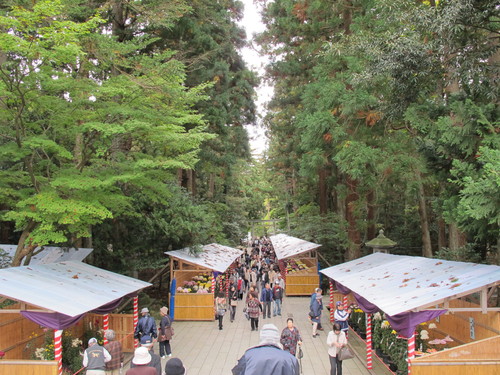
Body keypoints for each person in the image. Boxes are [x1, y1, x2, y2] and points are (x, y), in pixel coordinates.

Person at [232, 324, 299, 375]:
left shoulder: (249, 355)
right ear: (277, 338)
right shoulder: (291, 359)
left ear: (261, 337)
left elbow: (237, 372)